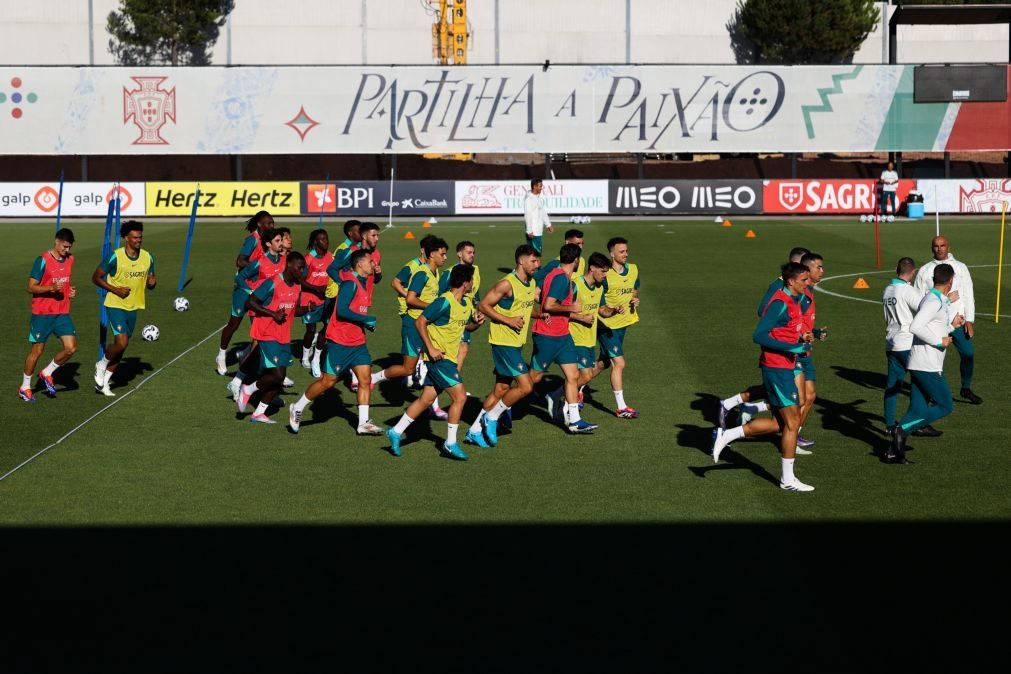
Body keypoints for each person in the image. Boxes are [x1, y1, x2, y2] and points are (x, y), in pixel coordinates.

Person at [711, 262, 816, 492]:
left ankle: (727, 435)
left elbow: (790, 330)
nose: (807, 284)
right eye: (804, 280)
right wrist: (792, 348)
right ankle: (787, 480)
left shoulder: (795, 300)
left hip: (786, 366)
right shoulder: (780, 302)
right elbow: (759, 335)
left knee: (780, 423)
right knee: (793, 421)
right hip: (776, 368)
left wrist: (807, 336)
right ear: (791, 281)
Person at [386, 264, 483, 460]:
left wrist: (476, 324)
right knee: (460, 397)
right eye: (471, 280)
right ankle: (450, 443)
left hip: (448, 358)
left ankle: (396, 431)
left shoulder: (465, 304)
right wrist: (430, 348)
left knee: (426, 399)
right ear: (465, 283)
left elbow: (466, 329)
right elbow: (420, 322)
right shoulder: (443, 302)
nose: (473, 283)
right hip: (439, 359)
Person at [289, 249, 383, 436]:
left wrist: (364, 323)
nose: (373, 264)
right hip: (339, 342)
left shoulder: (363, 282)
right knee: (327, 382)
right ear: (360, 264)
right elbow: (341, 310)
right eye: (370, 261)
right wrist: (365, 320)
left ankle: (363, 422)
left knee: (365, 379)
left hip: (357, 342)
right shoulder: (350, 283)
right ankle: (297, 407)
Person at [717, 247, 810, 428]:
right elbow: (764, 312)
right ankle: (790, 437)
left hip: (794, 348)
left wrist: (806, 333)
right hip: (782, 352)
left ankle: (743, 407)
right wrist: (788, 339)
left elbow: (795, 319)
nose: (812, 270)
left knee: (790, 396)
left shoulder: (801, 290)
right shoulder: (780, 287)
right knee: (798, 399)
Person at [888, 264, 965, 464]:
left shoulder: (936, 299)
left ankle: (893, 452)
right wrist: (939, 341)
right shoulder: (933, 301)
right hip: (926, 365)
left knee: (916, 409)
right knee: (945, 405)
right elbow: (916, 326)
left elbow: (933, 326)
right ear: (951, 281)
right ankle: (902, 429)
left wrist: (952, 326)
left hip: (921, 362)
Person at [466, 245, 542, 448]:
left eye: (538, 261)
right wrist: (508, 320)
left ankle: (473, 430)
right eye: (534, 261)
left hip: (515, 343)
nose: (538, 265)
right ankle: (491, 418)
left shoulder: (530, 282)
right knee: (526, 386)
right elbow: (483, 305)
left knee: (501, 389)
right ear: (521, 261)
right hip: (503, 341)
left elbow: (523, 307)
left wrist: (540, 314)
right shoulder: (507, 284)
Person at [371, 236, 449, 419]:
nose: (445, 258)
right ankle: (374, 378)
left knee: (434, 364)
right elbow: (410, 299)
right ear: (430, 254)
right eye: (442, 254)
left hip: (426, 325)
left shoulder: (434, 272)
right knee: (408, 368)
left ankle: (433, 406)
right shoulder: (420, 272)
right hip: (413, 325)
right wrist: (432, 306)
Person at [528, 243, 598, 434]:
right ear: (576, 261)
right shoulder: (560, 278)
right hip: (548, 335)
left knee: (573, 376)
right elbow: (549, 305)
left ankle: (574, 421)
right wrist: (572, 308)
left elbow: (541, 297)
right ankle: (502, 407)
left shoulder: (557, 275)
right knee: (531, 379)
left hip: (563, 335)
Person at [236, 252, 308, 424]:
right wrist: (272, 314)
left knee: (279, 379)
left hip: (283, 336)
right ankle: (248, 389)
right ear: (289, 265)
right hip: (267, 332)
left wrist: (306, 310)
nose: (302, 271)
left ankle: (259, 413)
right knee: (277, 374)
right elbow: (250, 302)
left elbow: (291, 310)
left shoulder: (297, 286)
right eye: (300, 267)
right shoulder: (272, 282)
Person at [92, 220, 156, 397]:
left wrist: (152, 283)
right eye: (135, 237)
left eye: (140, 237)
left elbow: (151, 281)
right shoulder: (115, 256)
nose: (138, 240)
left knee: (122, 347)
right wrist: (116, 290)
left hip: (133, 306)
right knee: (122, 342)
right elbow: (96, 278)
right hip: (115, 304)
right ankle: (101, 363)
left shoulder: (147, 257)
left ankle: (104, 383)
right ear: (126, 238)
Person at [914, 235, 980, 404]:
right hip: (935, 324)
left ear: (948, 247)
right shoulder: (925, 270)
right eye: (936, 246)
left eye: (943, 245)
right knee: (935, 362)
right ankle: (933, 393)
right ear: (932, 248)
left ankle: (965, 388)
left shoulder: (961, 268)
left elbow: (968, 294)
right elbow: (918, 299)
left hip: (958, 322)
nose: (939, 248)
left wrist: (970, 320)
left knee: (968, 354)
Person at [882, 257, 941, 438]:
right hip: (907, 344)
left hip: (892, 343)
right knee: (923, 385)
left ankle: (890, 425)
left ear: (896, 270)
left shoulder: (887, 290)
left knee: (893, 385)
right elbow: (926, 310)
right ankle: (918, 423)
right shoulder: (907, 291)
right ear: (913, 272)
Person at [225, 229, 287, 400]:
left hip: (276, 312)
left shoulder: (283, 262)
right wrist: (251, 290)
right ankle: (238, 382)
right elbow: (240, 278)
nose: (280, 243)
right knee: (259, 347)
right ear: (268, 244)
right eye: (277, 240)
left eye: (281, 240)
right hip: (261, 311)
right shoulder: (260, 262)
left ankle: (266, 388)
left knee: (263, 349)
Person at [560, 252, 623, 417]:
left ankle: (556, 395)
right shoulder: (575, 285)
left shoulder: (599, 287)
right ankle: (567, 411)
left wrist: (614, 310)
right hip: (574, 338)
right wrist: (580, 317)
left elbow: (602, 310)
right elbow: (560, 310)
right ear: (592, 268)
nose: (605, 276)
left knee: (582, 377)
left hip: (588, 340)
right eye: (603, 271)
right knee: (585, 375)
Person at [20, 228, 78, 402]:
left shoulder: (70, 260)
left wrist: (70, 292)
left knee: (71, 348)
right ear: (57, 241)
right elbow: (30, 287)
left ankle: (47, 372)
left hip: (62, 312)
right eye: (65, 246)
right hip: (42, 313)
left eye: (69, 247)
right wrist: (50, 288)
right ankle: (25, 387)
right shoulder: (42, 261)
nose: (67, 250)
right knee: (37, 351)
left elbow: (65, 282)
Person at [372, 235, 434, 389]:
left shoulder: (431, 269)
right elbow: (395, 282)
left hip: (419, 311)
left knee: (422, 346)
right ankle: (413, 375)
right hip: (409, 311)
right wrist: (409, 296)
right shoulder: (412, 266)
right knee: (418, 345)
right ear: (423, 250)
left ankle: (412, 377)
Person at [216, 211, 274, 375]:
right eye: (268, 223)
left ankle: (263, 362)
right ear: (259, 225)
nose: (271, 226)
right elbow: (240, 260)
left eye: (272, 223)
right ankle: (221, 355)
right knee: (234, 323)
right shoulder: (252, 239)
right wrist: (257, 266)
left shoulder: (269, 242)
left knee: (260, 327)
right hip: (244, 287)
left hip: (259, 289)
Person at [594, 236, 641, 418]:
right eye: (621, 251)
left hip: (623, 324)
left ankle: (573, 387)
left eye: (626, 251)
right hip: (606, 326)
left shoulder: (633, 270)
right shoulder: (604, 275)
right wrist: (611, 310)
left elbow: (634, 287)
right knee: (619, 363)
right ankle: (621, 408)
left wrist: (634, 298)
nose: (625, 254)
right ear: (611, 253)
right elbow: (599, 302)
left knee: (603, 363)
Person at [794, 252, 829, 451]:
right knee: (798, 399)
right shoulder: (802, 294)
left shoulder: (809, 292)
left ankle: (794, 434)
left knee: (809, 396)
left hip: (805, 349)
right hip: (796, 351)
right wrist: (801, 335)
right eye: (819, 267)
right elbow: (791, 320)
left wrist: (814, 332)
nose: (822, 271)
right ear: (808, 270)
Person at [439, 240, 481, 373]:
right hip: (453, 316)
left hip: (467, 315)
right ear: (459, 254)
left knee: (463, 348)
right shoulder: (449, 272)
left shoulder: (476, 270)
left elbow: (475, 292)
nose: (472, 255)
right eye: (468, 252)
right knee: (458, 348)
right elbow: (439, 295)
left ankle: (453, 381)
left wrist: (477, 308)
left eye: (473, 253)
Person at [298, 228, 334, 376]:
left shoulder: (330, 256)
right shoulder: (308, 258)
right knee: (310, 330)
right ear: (315, 242)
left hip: (326, 299)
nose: (326, 242)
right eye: (323, 239)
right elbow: (299, 280)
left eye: (326, 238)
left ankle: (316, 358)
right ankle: (305, 355)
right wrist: (316, 288)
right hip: (309, 300)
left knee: (327, 327)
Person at [523, 178, 553, 254]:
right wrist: (529, 230)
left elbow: (542, 212)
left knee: (533, 255)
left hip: (537, 231)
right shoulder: (529, 199)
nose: (541, 188)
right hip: (533, 232)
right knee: (536, 255)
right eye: (540, 186)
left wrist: (548, 225)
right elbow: (528, 215)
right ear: (534, 186)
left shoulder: (538, 197)